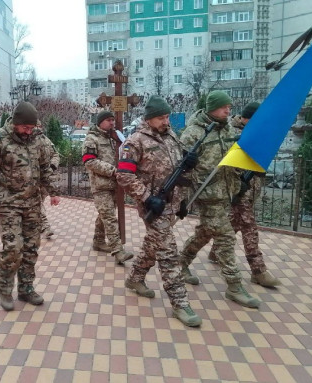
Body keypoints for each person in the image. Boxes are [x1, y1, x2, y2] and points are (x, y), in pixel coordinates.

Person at [116, 96, 201, 327]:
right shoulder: (134, 142)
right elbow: (123, 175)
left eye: (167, 116)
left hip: (171, 205)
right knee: (168, 253)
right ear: (149, 119)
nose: (166, 121)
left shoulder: (171, 136)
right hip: (153, 208)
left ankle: (135, 279)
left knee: (153, 245)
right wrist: (146, 197)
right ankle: (180, 303)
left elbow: (177, 172)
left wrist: (184, 198)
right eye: (161, 117)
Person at [179, 90, 260, 309]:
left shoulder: (229, 129)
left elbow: (234, 157)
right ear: (212, 107)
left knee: (206, 231)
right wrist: (182, 199)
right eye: (224, 106)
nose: (228, 110)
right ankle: (234, 285)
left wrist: (239, 180)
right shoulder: (194, 133)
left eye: (229, 107)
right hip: (207, 194)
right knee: (225, 237)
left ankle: (182, 262)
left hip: (227, 191)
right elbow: (182, 170)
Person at [0, 102, 61, 311]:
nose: (29, 131)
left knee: (32, 247)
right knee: (13, 248)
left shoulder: (37, 139)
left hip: (32, 202)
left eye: (32, 127)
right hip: (8, 204)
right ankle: (5, 289)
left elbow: (44, 167)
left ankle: (26, 288)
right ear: (16, 122)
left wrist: (53, 191)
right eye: (25, 127)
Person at [208, 102, 280, 288]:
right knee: (249, 225)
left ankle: (215, 251)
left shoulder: (258, 134)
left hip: (251, 187)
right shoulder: (231, 133)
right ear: (247, 118)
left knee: (234, 223)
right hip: (237, 188)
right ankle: (258, 270)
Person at [82, 110, 133, 265]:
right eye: (108, 120)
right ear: (100, 122)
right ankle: (118, 251)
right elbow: (89, 161)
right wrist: (112, 171)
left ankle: (98, 241)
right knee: (110, 217)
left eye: (113, 120)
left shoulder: (114, 138)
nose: (112, 123)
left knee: (104, 215)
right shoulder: (91, 139)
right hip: (100, 186)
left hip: (114, 185)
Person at [35, 120, 60, 238]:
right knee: (37, 203)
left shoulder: (46, 140)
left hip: (46, 177)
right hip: (33, 179)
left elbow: (55, 154)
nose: (39, 128)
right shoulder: (28, 141)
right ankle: (45, 226)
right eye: (36, 126)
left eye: (40, 126)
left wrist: (53, 165)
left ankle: (38, 224)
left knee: (39, 202)